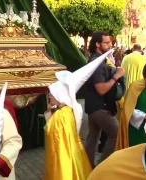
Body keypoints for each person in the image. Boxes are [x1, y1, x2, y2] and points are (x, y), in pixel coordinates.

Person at [43, 49, 114, 180]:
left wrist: (49, 113)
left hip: (63, 162)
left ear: (61, 95)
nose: (50, 96)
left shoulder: (60, 116)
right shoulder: (68, 110)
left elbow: (51, 133)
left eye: (52, 93)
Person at [84, 31, 125, 168]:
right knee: (116, 133)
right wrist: (116, 76)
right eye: (106, 43)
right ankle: (103, 166)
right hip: (100, 108)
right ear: (97, 44)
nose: (109, 45)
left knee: (93, 137)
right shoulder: (97, 64)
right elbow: (101, 89)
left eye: (110, 42)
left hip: (93, 106)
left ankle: (87, 167)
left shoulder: (98, 60)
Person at [116, 62, 146, 150]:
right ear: (144, 78)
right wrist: (143, 116)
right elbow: (128, 110)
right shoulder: (135, 87)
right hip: (137, 129)